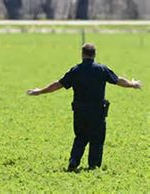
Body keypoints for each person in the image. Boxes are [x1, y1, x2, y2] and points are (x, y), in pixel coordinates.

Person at [27, 43, 142, 171]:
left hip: (80, 111)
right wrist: (132, 84)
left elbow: (58, 84)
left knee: (80, 137)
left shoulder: (75, 70)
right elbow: (118, 80)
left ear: (82, 54)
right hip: (97, 111)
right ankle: (93, 166)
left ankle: (74, 160)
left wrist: (40, 91)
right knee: (97, 139)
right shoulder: (102, 69)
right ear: (94, 54)